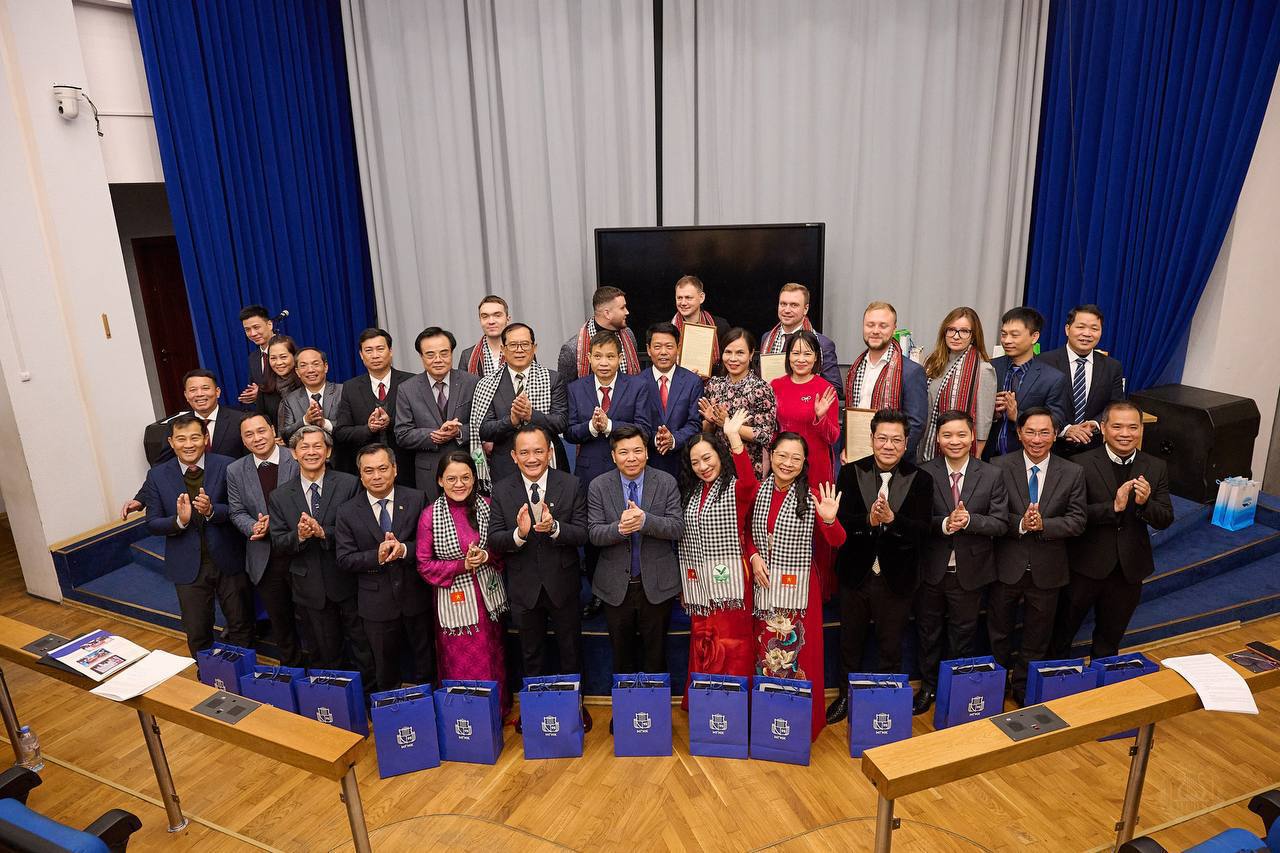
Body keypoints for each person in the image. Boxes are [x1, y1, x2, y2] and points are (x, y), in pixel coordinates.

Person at [827, 409, 931, 725]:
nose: (888, 445)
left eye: (896, 440)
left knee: (890, 645)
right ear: (872, 438)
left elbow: (923, 532)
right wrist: (869, 521)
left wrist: (892, 521)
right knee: (850, 642)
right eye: (882, 438)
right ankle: (844, 696)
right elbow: (841, 522)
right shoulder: (850, 473)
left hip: (897, 578)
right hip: (855, 574)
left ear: (906, 443)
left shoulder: (921, 479)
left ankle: (886, 700)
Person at [741, 429, 844, 740]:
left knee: (798, 655)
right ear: (771, 456)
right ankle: (766, 722)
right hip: (764, 588)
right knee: (764, 655)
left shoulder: (812, 496)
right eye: (782, 456)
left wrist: (829, 519)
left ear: (804, 463)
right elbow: (745, 532)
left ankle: (797, 726)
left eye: (795, 458)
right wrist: (753, 556)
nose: (787, 463)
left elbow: (837, 540)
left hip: (800, 593)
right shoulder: (758, 491)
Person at [488, 425, 592, 733]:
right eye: (524, 452)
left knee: (570, 651)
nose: (532, 458)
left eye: (538, 451)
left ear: (549, 452)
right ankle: (534, 711)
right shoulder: (502, 490)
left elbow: (583, 533)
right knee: (530, 654)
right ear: (514, 456)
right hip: (524, 587)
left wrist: (555, 527)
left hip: (563, 584)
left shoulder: (571, 484)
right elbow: (495, 539)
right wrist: (519, 534)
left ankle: (575, 708)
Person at [1054, 401, 1173, 659]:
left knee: (1109, 643)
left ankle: (1102, 683)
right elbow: (1070, 516)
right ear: (1104, 428)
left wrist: (1145, 503)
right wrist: (1113, 507)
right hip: (1084, 566)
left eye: (1133, 427)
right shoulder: (1079, 464)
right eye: (1117, 427)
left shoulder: (1155, 466)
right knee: (1061, 637)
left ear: (1141, 429)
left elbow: (1165, 519)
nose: (1125, 434)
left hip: (1128, 571)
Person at [912, 411, 1008, 716]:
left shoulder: (991, 474)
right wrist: (944, 524)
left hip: (971, 572)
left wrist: (969, 521)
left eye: (961, 435)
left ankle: (953, 688)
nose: (955, 441)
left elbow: (1001, 524)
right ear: (938, 440)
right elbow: (915, 521)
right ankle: (928, 686)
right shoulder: (923, 473)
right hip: (931, 570)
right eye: (948, 435)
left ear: (972, 437)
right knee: (928, 633)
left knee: (962, 635)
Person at [989, 407, 1086, 705]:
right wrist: (1021, 523)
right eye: (1030, 432)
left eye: (1044, 432)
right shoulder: (998, 466)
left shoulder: (1072, 472)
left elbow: (1078, 521)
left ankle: (1022, 687)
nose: (1037, 439)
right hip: (1006, 566)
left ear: (1055, 435)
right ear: (1019, 434)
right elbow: (993, 514)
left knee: (1037, 637)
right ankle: (994, 687)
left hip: (1048, 569)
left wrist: (1045, 525)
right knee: (998, 633)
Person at [140, 414, 254, 657]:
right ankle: (207, 674)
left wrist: (212, 511)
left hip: (228, 559)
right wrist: (179, 521)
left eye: (194, 437)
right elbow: (152, 523)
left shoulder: (227, 465)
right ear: (171, 442)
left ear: (205, 438)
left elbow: (240, 509)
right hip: (187, 565)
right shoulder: (157, 475)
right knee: (197, 630)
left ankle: (244, 673)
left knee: (241, 624)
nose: (188, 444)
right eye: (181, 439)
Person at [268, 426, 373, 683]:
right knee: (325, 651)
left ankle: (368, 695)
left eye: (318, 446)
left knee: (362, 647)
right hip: (309, 586)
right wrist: (301, 535)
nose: (311, 452)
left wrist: (323, 532)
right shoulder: (280, 496)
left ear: (329, 451)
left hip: (347, 580)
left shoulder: (349, 484)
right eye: (304, 447)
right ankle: (334, 698)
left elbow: (361, 530)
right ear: (294, 453)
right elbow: (279, 542)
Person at [414, 451, 510, 713]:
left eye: (466, 477)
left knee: (492, 658)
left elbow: (504, 548)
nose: (459, 484)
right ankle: (463, 715)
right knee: (458, 662)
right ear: (440, 481)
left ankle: (496, 711)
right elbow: (424, 565)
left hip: (488, 601)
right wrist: (461, 565)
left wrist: (486, 556)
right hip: (453, 605)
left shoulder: (488, 506)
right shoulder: (429, 516)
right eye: (452, 478)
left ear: (474, 478)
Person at [568, 331, 654, 620]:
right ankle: (598, 593)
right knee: (596, 535)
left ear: (620, 358)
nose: (604, 362)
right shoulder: (576, 388)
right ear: (589, 358)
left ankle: (637, 588)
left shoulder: (637, 386)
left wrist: (609, 426)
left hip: (630, 472)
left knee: (633, 529)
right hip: (592, 473)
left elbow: (644, 429)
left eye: (610, 356)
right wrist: (591, 428)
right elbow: (570, 431)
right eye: (598, 356)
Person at [588, 427, 684, 681]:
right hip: (614, 586)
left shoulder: (666, 482)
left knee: (656, 657)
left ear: (647, 453)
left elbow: (677, 527)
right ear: (613, 456)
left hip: (657, 584)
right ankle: (626, 705)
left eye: (637, 451)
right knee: (622, 659)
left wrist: (645, 521)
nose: (631, 458)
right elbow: (594, 533)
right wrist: (619, 529)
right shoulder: (598, 486)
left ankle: (655, 706)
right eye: (624, 452)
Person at [335, 444, 434, 693]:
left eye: (382, 468)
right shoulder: (347, 511)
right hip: (376, 603)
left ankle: (429, 707)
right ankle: (391, 711)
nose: (376, 476)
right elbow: (344, 559)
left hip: (415, 597)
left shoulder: (417, 499)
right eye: (369, 471)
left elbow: (430, 543)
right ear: (360, 474)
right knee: (385, 668)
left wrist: (404, 550)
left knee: (426, 662)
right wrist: (375, 556)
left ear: (395, 469)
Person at [676, 417, 758, 707]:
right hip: (699, 585)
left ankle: (733, 704)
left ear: (720, 456)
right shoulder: (690, 493)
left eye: (707, 458)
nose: (703, 466)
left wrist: (734, 437)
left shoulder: (735, 488)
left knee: (732, 642)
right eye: (695, 462)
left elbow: (751, 483)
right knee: (704, 639)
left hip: (731, 582)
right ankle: (705, 702)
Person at [226, 413, 303, 666]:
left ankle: (322, 674)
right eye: (249, 434)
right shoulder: (235, 470)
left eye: (261, 431)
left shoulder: (297, 457)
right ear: (243, 440)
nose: (257, 438)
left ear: (273, 430)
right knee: (281, 624)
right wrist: (253, 526)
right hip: (264, 558)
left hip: (300, 553)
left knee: (313, 620)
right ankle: (291, 672)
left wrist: (278, 523)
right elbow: (236, 511)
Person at [771, 329, 842, 598]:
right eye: (795, 353)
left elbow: (833, 436)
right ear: (788, 356)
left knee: (818, 527)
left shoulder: (825, 389)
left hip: (817, 468)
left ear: (816, 358)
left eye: (807, 354)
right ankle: (785, 590)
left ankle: (819, 592)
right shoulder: (776, 385)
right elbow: (772, 431)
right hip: (785, 468)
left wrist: (820, 417)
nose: (801, 359)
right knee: (785, 526)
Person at [476, 323, 569, 486]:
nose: (519, 350)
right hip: (506, 466)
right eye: (513, 345)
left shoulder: (552, 379)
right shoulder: (487, 384)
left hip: (549, 462)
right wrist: (511, 421)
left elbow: (561, 423)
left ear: (534, 348)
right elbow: (484, 430)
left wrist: (531, 415)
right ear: (503, 349)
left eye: (525, 344)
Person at [395, 327, 479, 499]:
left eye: (444, 353)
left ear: (452, 353)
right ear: (421, 356)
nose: (438, 360)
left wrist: (459, 432)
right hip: (429, 471)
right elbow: (402, 434)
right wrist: (433, 435)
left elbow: (484, 425)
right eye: (430, 354)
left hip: (466, 468)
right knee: (432, 514)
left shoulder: (471, 382)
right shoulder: (407, 389)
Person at [843, 302, 929, 461]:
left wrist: (889, 457)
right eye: (870, 325)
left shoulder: (911, 372)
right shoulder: (855, 369)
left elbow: (916, 425)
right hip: (855, 458)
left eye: (883, 326)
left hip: (894, 462)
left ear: (894, 329)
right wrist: (846, 448)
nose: (875, 331)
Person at [1037, 304, 1126, 457]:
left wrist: (1095, 424)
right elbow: (1038, 403)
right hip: (1050, 447)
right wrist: (1065, 429)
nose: (1087, 333)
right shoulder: (1044, 362)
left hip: (1092, 449)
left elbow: (1116, 405)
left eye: (1094, 328)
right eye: (1081, 327)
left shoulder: (1112, 367)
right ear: (1067, 329)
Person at [983, 308, 1070, 461]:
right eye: (1004, 334)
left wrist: (1017, 415)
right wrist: (992, 413)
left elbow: (1056, 422)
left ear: (1034, 337)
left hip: (1026, 460)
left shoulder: (1052, 378)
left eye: (1014, 335)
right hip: (987, 457)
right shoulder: (989, 367)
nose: (1006, 340)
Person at [334, 328, 414, 483]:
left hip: (406, 468)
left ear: (390, 351)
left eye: (380, 349)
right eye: (369, 350)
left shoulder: (411, 382)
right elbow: (341, 432)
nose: (375, 355)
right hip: (368, 473)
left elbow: (420, 423)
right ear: (361, 355)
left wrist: (390, 423)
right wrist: (368, 429)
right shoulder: (350, 387)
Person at [920, 307, 997, 462]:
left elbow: (983, 423)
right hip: (927, 447)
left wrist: (975, 458)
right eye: (951, 330)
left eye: (964, 331)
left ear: (973, 336)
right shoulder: (933, 363)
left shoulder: (983, 369)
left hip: (960, 454)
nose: (956, 336)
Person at [699, 328, 776, 479]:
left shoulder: (761, 388)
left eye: (740, 353)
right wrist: (709, 422)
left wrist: (727, 424)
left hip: (749, 468)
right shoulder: (714, 385)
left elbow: (765, 435)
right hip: (717, 467)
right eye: (728, 352)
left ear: (751, 354)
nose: (733, 359)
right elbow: (706, 433)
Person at [641, 322, 703, 480]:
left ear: (678, 348)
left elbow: (695, 423)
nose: (663, 352)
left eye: (669, 346)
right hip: (648, 462)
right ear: (648, 349)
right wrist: (656, 439)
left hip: (683, 463)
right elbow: (636, 423)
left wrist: (673, 439)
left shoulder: (692, 382)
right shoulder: (637, 382)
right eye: (657, 347)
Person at [759, 283, 842, 391]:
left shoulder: (823, 344)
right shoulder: (767, 338)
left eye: (794, 305)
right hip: (771, 399)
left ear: (805, 309)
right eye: (783, 304)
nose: (787, 310)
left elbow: (835, 389)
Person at [558, 286, 642, 380]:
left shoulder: (628, 335)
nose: (627, 312)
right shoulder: (572, 349)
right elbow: (566, 387)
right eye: (622, 308)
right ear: (607, 314)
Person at [279, 347, 344, 445]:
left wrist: (324, 423)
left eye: (315, 364)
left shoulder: (343, 391)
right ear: (297, 372)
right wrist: (305, 421)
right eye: (303, 366)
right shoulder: (290, 399)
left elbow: (352, 426)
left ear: (326, 367)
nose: (310, 370)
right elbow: (285, 435)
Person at [671, 275, 730, 372]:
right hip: (678, 380)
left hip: (714, 379)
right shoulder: (668, 329)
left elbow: (729, 359)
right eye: (679, 298)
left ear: (701, 297)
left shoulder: (721, 326)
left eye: (688, 298)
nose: (683, 303)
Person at [256, 335, 300, 432]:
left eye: (283, 357)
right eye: (273, 358)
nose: (278, 363)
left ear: (294, 356)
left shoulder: (305, 383)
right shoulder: (265, 388)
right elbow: (261, 420)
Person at [458, 294, 510, 377]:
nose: (491, 321)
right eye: (485, 316)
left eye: (497, 315)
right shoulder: (467, 356)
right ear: (480, 320)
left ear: (508, 319)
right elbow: (463, 385)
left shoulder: (521, 351)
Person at [237, 304, 274, 407]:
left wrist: (261, 394)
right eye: (247, 329)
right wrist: (252, 396)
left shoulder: (287, 348)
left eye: (256, 327)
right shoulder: (253, 358)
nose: (252, 333)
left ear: (269, 325)